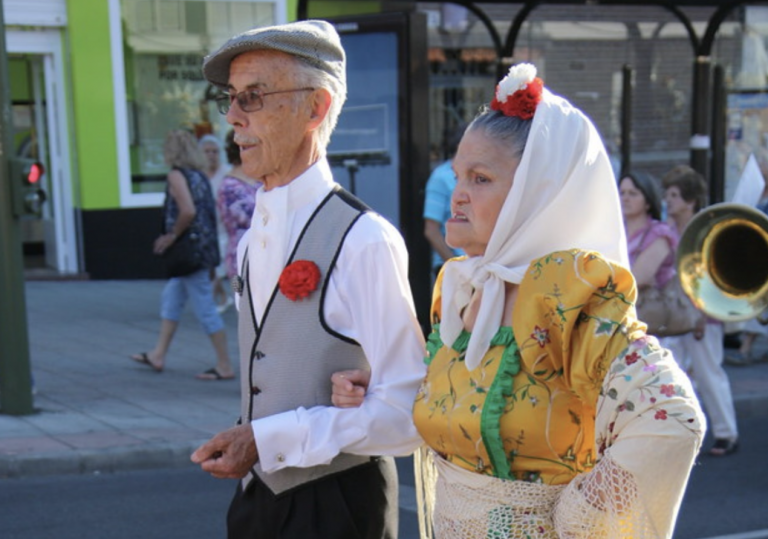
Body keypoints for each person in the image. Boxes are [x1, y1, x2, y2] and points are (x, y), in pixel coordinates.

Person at [333, 63, 706, 538]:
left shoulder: (575, 301)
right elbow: (469, 405)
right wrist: (384, 386)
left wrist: (579, 518)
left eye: (481, 179)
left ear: (539, 195)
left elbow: (672, 419)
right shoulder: (463, 289)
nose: (457, 196)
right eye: (457, 176)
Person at [190, 20, 426, 538]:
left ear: (314, 108)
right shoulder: (253, 237)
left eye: (251, 97)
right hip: (257, 500)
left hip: (337, 506)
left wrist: (270, 437)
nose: (231, 117)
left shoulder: (364, 239)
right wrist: (258, 444)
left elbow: (407, 414)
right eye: (229, 98)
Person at [130, 129, 236, 381]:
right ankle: (158, 353)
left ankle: (224, 364)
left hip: (187, 253)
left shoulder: (177, 176)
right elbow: (208, 214)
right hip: (201, 250)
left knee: (205, 307)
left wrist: (170, 236)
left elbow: (187, 211)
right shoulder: (199, 176)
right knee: (172, 299)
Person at [662, 164, 739, 456]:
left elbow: (711, 278)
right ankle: (681, 436)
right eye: (667, 194)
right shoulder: (666, 230)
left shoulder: (705, 231)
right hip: (674, 315)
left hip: (703, 317)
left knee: (709, 375)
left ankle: (727, 434)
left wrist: (701, 316)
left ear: (690, 200)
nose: (668, 200)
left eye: (674, 194)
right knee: (674, 376)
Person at [620, 171, 678, 294]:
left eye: (633, 194)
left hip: (648, 309)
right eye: (622, 193)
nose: (625, 198)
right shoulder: (615, 231)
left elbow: (637, 279)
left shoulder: (660, 233)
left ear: (647, 202)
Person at [217, 129, 261, 282]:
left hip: (263, 253)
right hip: (239, 258)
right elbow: (246, 217)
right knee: (242, 301)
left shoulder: (259, 177)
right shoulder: (228, 186)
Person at [424, 124, 466, 276]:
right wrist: (456, 267)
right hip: (452, 269)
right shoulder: (440, 177)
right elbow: (431, 230)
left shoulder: (478, 174)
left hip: (477, 267)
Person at [198, 134, 230, 312]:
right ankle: (224, 298)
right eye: (207, 151)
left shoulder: (228, 173)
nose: (211, 155)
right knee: (211, 268)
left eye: (215, 151)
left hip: (225, 229)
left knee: (219, 269)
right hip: (206, 229)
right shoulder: (198, 175)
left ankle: (207, 306)